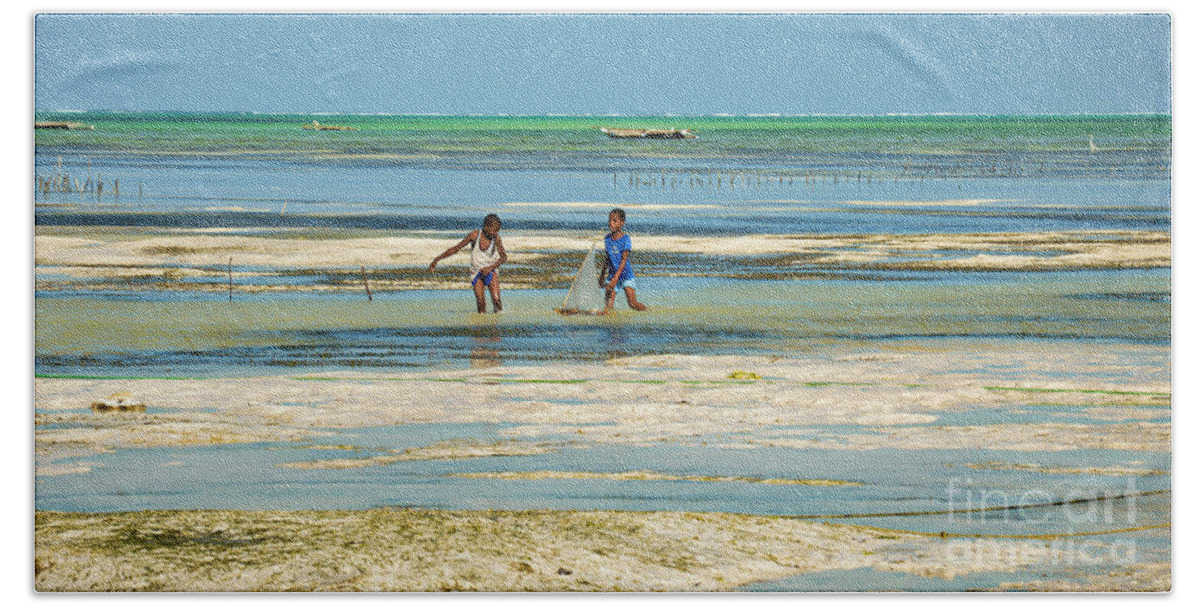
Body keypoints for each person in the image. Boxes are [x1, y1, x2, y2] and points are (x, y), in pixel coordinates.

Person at [429, 214, 507, 313]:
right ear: (486, 227)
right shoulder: (474, 235)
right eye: (494, 230)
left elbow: (503, 257)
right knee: (481, 304)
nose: (496, 233)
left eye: (498, 230)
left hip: (491, 271)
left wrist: (490, 268)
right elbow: (456, 248)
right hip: (476, 272)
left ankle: (497, 322)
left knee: (496, 301)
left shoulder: (496, 238)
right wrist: (437, 259)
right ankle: (481, 326)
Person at [599, 208, 648, 313]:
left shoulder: (625, 239)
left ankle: (648, 311)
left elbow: (624, 260)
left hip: (626, 275)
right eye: (610, 220)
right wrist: (602, 275)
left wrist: (616, 278)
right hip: (612, 275)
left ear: (622, 223)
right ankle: (610, 324)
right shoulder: (607, 239)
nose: (611, 223)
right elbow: (607, 258)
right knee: (608, 306)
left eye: (614, 221)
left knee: (632, 304)